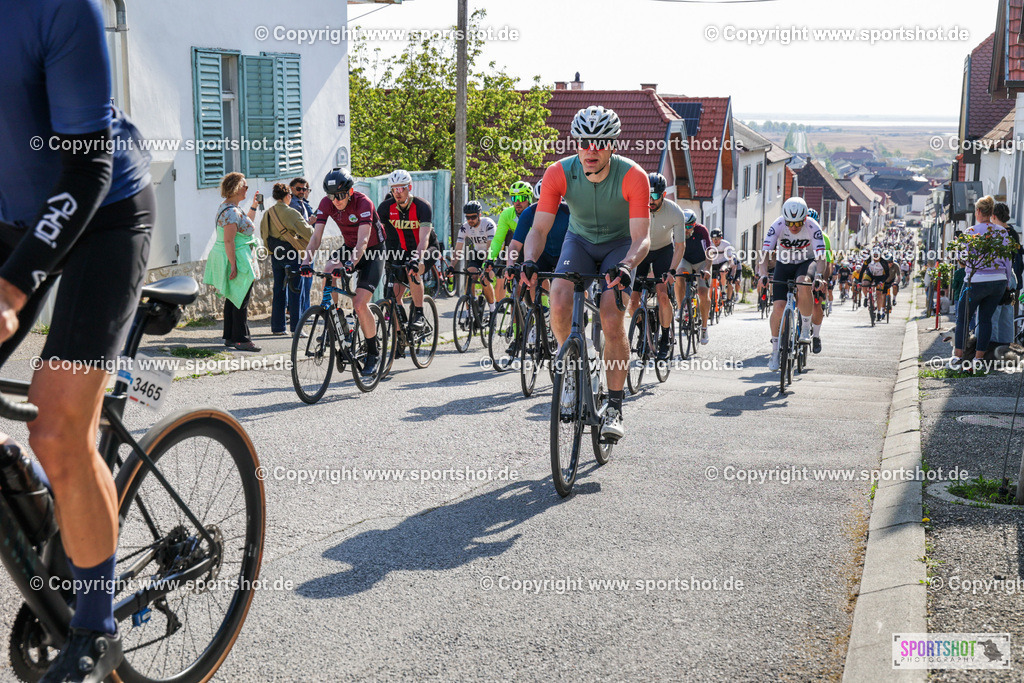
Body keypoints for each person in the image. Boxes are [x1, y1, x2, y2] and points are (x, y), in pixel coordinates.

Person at [0, 1, 154, 678]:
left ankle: (95, 628)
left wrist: (9, 293)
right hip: (11, 218)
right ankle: (37, 501)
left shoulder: (58, 8)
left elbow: (86, 167)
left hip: (105, 214)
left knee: (59, 427)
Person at [522, 105, 650, 441]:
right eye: (584, 142)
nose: (591, 150)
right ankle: (576, 372)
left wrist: (626, 264)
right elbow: (538, 229)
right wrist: (529, 260)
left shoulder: (633, 175)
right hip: (578, 242)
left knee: (610, 317)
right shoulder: (558, 172)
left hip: (619, 247)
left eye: (600, 142)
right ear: (576, 143)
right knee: (560, 303)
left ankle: (615, 405)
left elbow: (642, 237)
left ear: (612, 145)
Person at [302, 168, 385, 375]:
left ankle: (373, 354)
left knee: (359, 304)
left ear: (349, 191)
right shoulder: (326, 203)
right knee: (329, 268)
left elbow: (364, 240)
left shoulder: (364, 202)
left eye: (339, 195)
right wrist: (305, 262)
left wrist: (350, 264)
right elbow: (316, 236)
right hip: (350, 247)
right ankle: (337, 318)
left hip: (373, 251)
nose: (335, 200)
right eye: (331, 196)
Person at [758, 197, 827, 371]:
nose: (794, 227)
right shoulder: (778, 224)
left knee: (802, 282)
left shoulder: (812, 226)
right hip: (784, 263)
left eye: (798, 223)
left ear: (804, 219)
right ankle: (775, 352)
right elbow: (765, 253)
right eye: (790, 223)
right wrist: (763, 274)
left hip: (806, 262)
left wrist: (818, 275)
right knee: (779, 308)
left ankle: (805, 328)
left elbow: (820, 257)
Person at [950, 195, 1012, 371]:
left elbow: (962, 258)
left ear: (978, 211)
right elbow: (1007, 260)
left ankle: (958, 357)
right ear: (991, 213)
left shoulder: (971, 232)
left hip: (975, 281)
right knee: (986, 320)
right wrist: (1006, 282)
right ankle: (978, 359)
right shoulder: (1001, 232)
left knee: (963, 318)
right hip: (998, 282)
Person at [629, 172, 686, 360]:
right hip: (641, 250)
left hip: (663, 251)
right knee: (632, 301)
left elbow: (679, 246)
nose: (650, 201)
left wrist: (671, 271)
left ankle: (664, 338)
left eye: (654, 196)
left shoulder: (675, 212)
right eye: (647, 196)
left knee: (662, 294)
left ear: (663, 195)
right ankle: (643, 330)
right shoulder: (635, 207)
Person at [205, 173, 262, 352]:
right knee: (240, 299)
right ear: (237, 188)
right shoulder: (231, 211)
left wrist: (254, 205)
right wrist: (234, 265)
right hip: (236, 258)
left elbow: (245, 226)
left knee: (233, 298)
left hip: (236, 256)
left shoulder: (231, 208)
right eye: (244, 186)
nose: (247, 188)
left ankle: (230, 336)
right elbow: (229, 240)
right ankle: (241, 339)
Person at [378, 169, 438, 332]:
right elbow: (379, 235)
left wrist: (418, 259)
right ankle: (400, 334)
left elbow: (424, 238)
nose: (397, 193)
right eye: (393, 189)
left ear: (409, 187)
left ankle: (418, 313)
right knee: (393, 295)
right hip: (403, 249)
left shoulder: (422, 206)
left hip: (427, 248)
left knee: (413, 270)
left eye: (401, 188)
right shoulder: (385, 208)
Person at [260, 183, 312, 335]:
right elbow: (308, 232)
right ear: (288, 195)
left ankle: (278, 327)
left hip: (276, 254)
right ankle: (297, 328)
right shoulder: (291, 213)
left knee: (279, 290)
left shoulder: (268, 213)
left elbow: (264, 234)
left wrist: (271, 251)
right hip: (292, 255)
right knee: (296, 290)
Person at [670, 208, 713, 345]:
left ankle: (704, 328)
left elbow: (709, 252)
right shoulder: (677, 231)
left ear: (694, 224)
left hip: (701, 262)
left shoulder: (702, 231)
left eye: (689, 226)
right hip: (686, 260)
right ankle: (681, 308)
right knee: (679, 274)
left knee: (702, 292)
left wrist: (707, 269)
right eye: (684, 226)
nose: (686, 230)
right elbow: (674, 250)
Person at [489, 181, 534, 304]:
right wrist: (489, 259)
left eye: (521, 198)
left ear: (529, 198)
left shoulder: (536, 213)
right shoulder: (507, 214)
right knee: (516, 294)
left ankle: (544, 308)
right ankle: (515, 323)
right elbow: (498, 239)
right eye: (514, 198)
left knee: (535, 280)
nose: (517, 202)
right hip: (517, 249)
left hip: (534, 248)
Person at [452, 200, 498, 315]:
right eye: (468, 217)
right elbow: (458, 249)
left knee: (485, 279)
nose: (470, 220)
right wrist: (452, 266)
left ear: (479, 215)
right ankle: (469, 313)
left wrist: (485, 265)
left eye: (473, 217)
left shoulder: (488, 224)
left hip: (492, 253)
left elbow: (490, 248)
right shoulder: (465, 227)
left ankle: (493, 311)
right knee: (470, 275)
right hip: (478, 253)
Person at [289, 176, 315, 314]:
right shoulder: (294, 204)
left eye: (304, 189)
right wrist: (310, 223)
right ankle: (302, 311)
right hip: (300, 245)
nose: (302, 191)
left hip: (306, 245)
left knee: (306, 281)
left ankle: (303, 310)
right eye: (299, 189)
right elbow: (299, 226)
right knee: (303, 281)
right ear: (292, 189)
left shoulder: (302, 202)